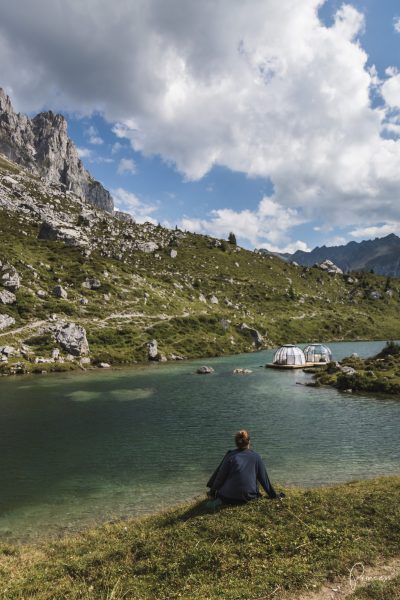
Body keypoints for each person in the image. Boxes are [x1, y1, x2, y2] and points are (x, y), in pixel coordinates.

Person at [207, 430, 278, 504]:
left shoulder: (230, 456)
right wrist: (273, 495)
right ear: (249, 441)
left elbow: (220, 477)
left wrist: (212, 492)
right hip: (249, 498)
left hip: (227, 498)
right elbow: (264, 480)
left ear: (236, 443)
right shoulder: (256, 457)